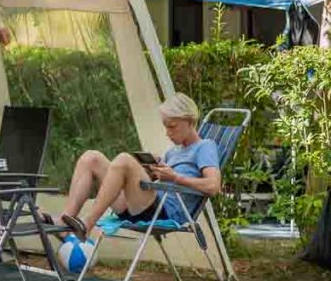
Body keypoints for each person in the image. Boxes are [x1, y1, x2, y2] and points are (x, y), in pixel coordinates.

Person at [57, 93, 222, 239]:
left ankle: (88, 223)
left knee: (124, 159)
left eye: (172, 127)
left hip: (163, 213)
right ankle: (64, 224)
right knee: (91, 157)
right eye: (166, 127)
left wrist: (175, 177)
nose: (168, 133)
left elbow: (213, 186)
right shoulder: (173, 152)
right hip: (141, 206)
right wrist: (151, 172)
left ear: (190, 121)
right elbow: (159, 181)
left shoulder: (205, 146)